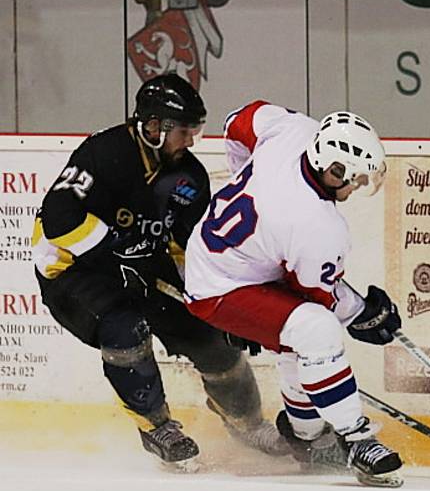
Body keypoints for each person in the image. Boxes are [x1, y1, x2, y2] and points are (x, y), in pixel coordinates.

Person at [31, 74, 289, 468]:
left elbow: (195, 249)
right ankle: (157, 426)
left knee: (211, 338)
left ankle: (248, 423)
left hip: (142, 267)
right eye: (183, 131)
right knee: (124, 327)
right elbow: (59, 218)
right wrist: (112, 253)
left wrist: (224, 307)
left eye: (194, 132)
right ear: (154, 127)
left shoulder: (189, 178)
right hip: (71, 273)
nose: (190, 141)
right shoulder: (105, 152)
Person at [183, 101, 404, 487]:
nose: (355, 187)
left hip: (226, 255)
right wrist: (362, 314)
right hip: (220, 286)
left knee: (301, 336)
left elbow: (239, 120)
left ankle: (307, 437)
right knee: (315, 330)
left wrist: (244, 175)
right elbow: (318, 300)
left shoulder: (294, 131)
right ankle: (355, 438)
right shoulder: (315, 224)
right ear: (332, 170)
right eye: (353, 179)